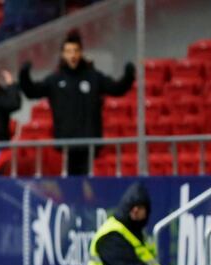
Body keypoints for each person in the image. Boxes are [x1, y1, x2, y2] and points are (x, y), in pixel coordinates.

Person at [19, 30, 134, 175]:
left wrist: (129, 76)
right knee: (70, 184)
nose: (72, 55)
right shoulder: (55, 80)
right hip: (66, 143)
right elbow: (32, 91)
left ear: (81, 53)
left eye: (75, 51)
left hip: (89, 142)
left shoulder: (93, 77)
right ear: (63, 54)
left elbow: (117, 89)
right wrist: (24, 76)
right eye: (68, 51)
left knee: (87, 182)